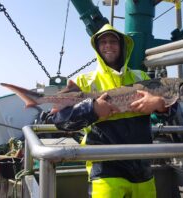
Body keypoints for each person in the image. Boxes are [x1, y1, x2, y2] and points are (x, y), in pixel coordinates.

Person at [49, 24, 175, 198]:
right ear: (97, 48)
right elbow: (58, 119)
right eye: (103, 42)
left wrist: (161, 104)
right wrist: (91, 109)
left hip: (143, 167)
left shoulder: (142, 77)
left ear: (123, 46)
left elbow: (173, 109)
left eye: (113, 41)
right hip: (105, 169)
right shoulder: (83, 82)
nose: (108, 46)